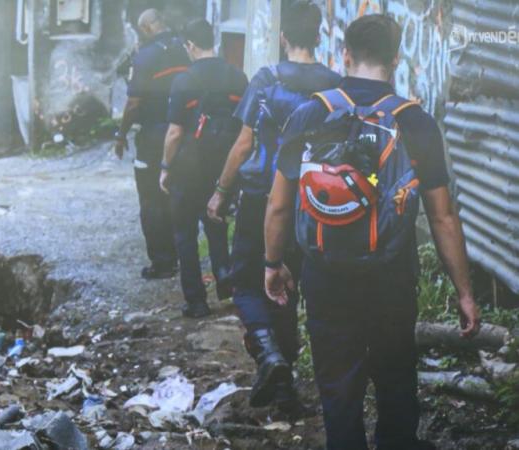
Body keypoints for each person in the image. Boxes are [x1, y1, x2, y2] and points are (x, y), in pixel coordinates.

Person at [264, 14, 480, 450]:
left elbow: (279, 203)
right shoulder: (416, 123)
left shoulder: (310, 112)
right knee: (396, 381)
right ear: (396, 59)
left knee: (338, 389)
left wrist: (272, 263)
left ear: (345, 55)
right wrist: (464, 292)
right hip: (391, 276)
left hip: (325, 274)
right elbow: (443, 217)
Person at [206, 1, 340, 412]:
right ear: (319, 35)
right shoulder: (334, 86)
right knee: (286, 288)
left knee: (247, 282)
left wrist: (220, 190)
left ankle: (268, 353)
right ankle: (285, 391)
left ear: (284, 37)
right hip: (311, 203)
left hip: (260, 197)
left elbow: (244, 143)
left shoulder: (266, 80)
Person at [160, 19, 248, 318]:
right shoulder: (238, 77)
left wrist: (165, 167)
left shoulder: (184, 80)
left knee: (185, 233)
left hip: (189, 167)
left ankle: (196, 301)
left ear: (190, 45)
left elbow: (174, 133)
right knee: (217, 220)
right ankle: (225, 278)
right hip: (225, 165)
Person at [114, 9, 189, 280]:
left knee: (150, 198)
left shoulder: (145, 57)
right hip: (184, 134)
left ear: (145, 29)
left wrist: (121, 135)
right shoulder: (184, 48)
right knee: (176, 194)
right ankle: (182, 256)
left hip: (154, 136)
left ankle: (162, 262)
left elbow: (134, 103)